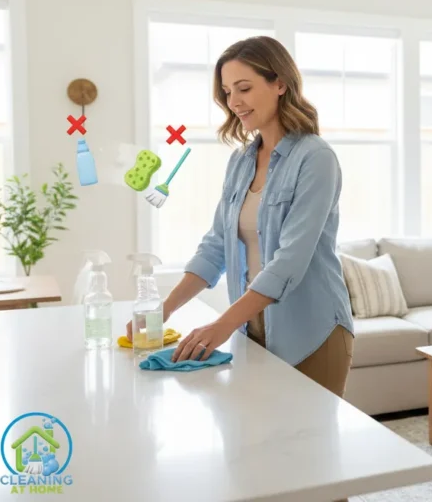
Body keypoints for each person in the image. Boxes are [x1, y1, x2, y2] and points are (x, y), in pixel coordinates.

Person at [127, 35, 355, 398]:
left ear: (280, 83)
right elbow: (216, 247)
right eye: (227, 91)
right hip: (251, 328)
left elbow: (290, 262)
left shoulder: (315, 159)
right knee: (254, 431)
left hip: (312, 332)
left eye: (244, 88)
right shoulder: (241, 161)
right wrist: (162, 310)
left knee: (308, 436)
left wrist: (220, 326)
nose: (234, 101)